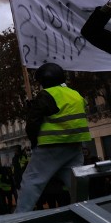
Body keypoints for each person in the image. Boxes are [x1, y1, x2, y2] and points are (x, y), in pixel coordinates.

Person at [14, 62, 92, 213]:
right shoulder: (75, 94)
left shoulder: (47, 94)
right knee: (75, 183)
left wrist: (34, 140)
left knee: (32, 181)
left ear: (44, 81)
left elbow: (33, 122)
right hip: (75, 146)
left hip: (51, 146)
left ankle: (19, 219)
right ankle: (87, 214)